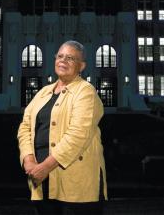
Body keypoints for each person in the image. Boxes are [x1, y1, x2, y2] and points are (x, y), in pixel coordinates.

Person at [17, 40, 107, 214]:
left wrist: (45, 167)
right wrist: (29, 160)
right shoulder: (43, 92)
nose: (63, 60)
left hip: (76, 183)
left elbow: (78, 135)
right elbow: (25, 126)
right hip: (42, 181)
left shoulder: (86, 91)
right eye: (60, 56)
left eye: (71, 58)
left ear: (81, 66)